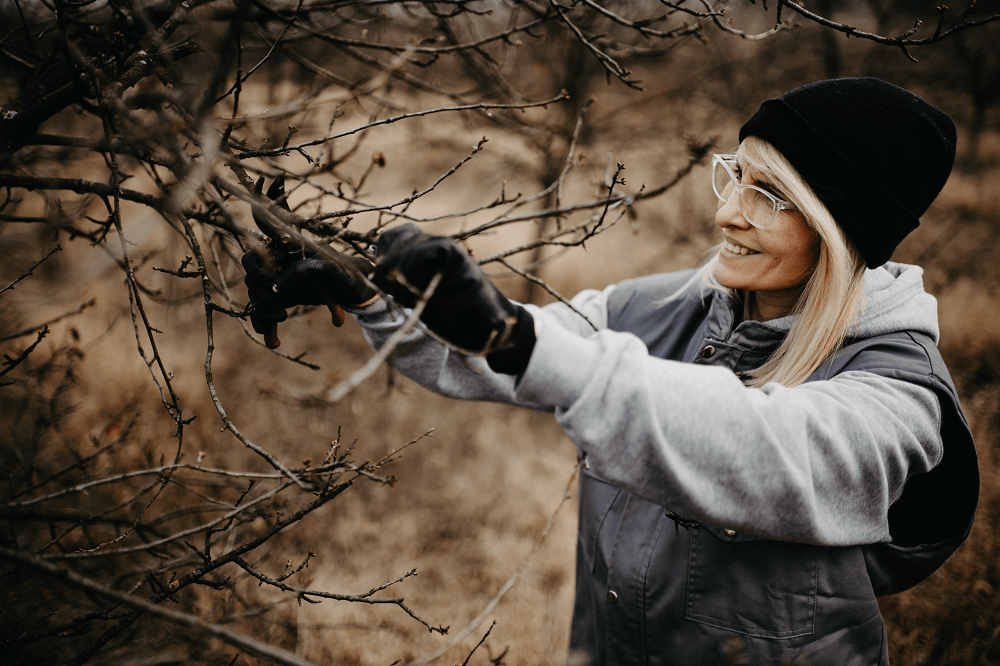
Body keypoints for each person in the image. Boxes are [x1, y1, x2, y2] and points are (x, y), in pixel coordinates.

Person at [243, 78, 979, 665]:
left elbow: (764, 445)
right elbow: (485, 359)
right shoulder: (661, 308)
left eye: (771, 196)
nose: (727, 214)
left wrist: (520, 338)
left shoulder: (897, 391)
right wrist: (368, 292)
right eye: (736, 177)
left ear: (837, 229)